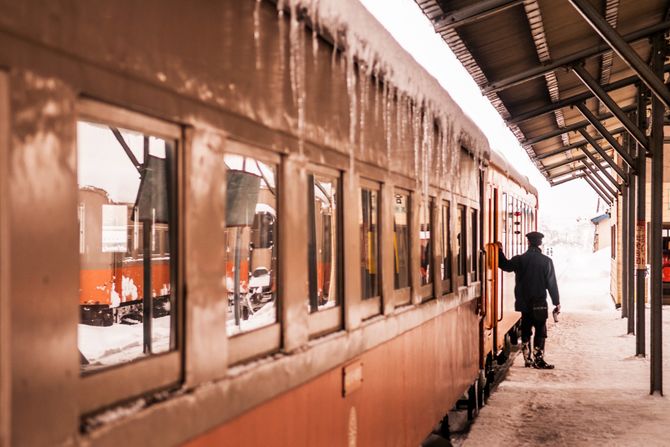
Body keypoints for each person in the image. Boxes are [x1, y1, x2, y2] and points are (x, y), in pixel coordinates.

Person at [497, 232, 560, 369]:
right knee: (540, 330)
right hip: (539, 303)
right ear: (540, 243)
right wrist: (556, 302)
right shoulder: (546, 261)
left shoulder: (519, 260)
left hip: (524, 303)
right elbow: (551, 283)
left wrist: (498, 251)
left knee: (526, 329)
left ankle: (527, 358)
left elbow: (505, 266)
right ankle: (539, 359)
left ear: (528, 243)